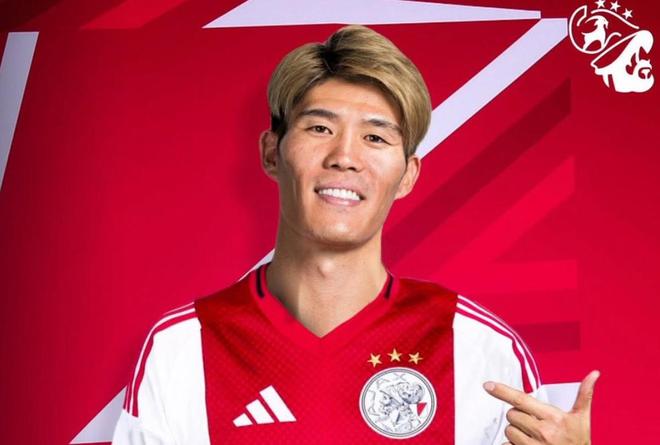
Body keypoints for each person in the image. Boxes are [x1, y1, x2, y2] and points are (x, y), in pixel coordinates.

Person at [112, 25, 599, 444]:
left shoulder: (480, 350)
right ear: (272, 153)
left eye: (375, 137)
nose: (345, 157)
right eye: (320, 128)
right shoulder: (183, 348)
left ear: (407, 176)